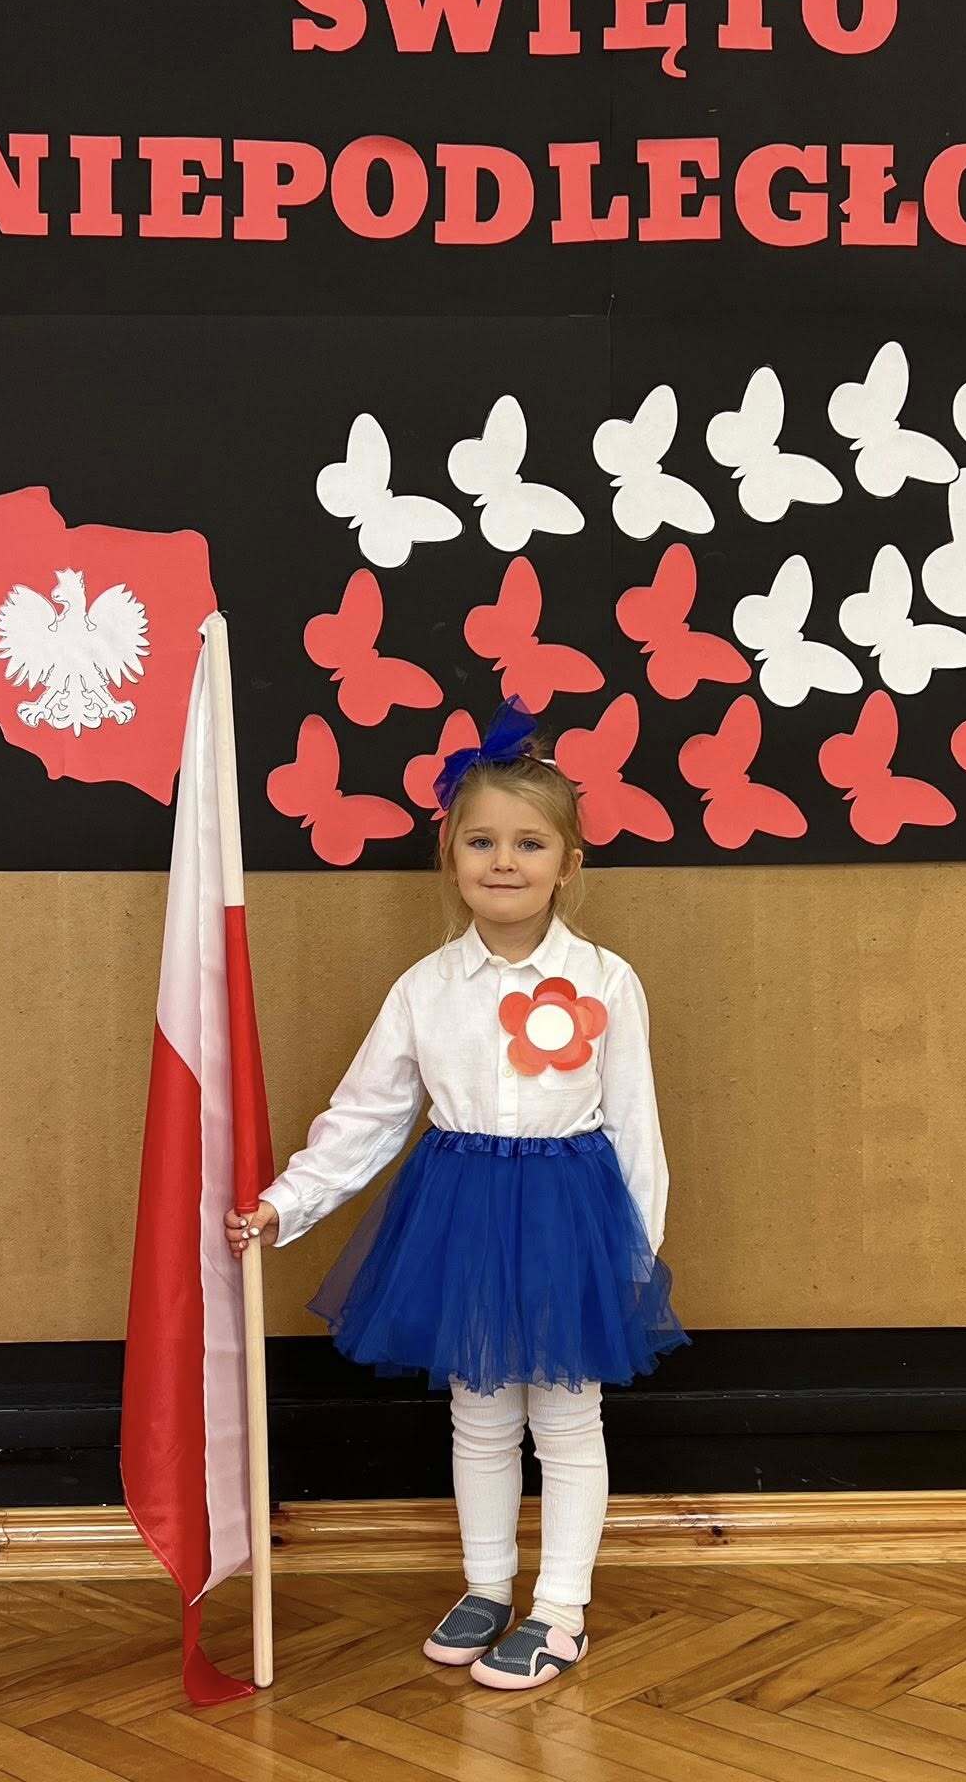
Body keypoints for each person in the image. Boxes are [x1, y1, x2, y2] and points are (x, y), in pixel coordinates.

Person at [224, 697, 688, 1689]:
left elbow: (636, 1125)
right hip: (462, 1219)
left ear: (568, 863)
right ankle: (486, 1584)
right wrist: (285, 1202)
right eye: (482, 840)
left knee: (566, 1415)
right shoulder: (425, 989)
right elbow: (366, 1116)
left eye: (529, 843)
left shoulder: (608, 980)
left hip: (569, 1222)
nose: (504, 861)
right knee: (478, 1411)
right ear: (451, 855)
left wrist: (634, 1257)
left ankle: (560, 1607)